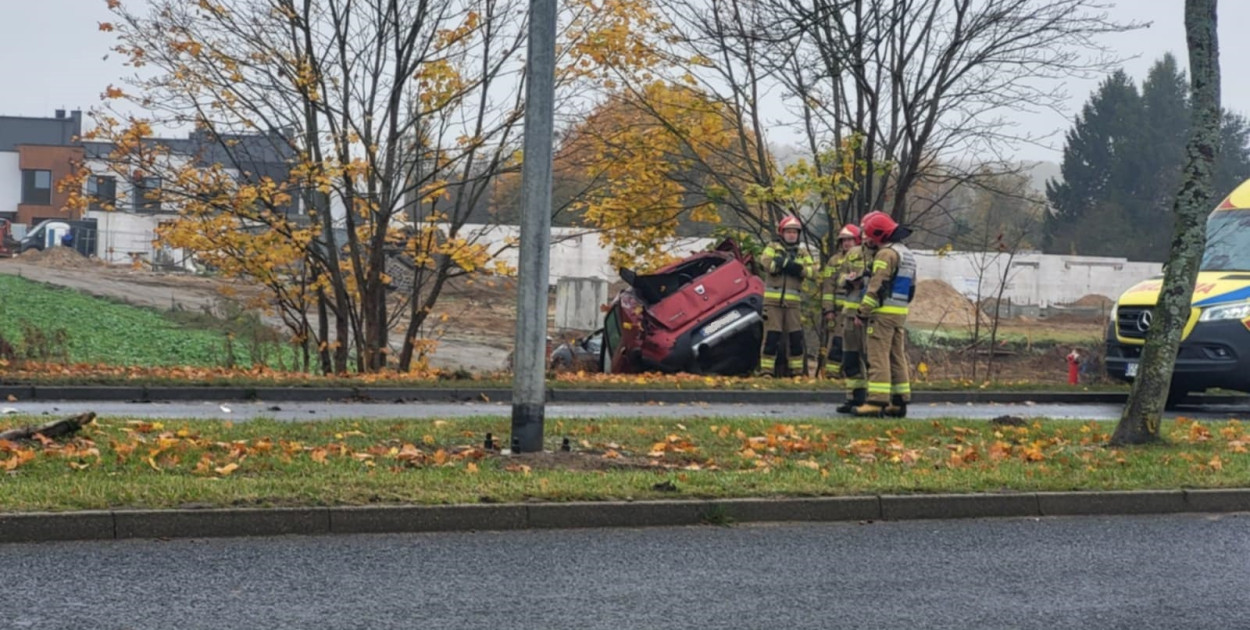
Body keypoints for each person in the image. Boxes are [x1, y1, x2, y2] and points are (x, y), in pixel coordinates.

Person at [853, 210, 916, 417]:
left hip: (881, 315)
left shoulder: (885, 254)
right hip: (899, 314)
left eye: (869, 235)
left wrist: (862, 313)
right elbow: (911, 290)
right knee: (897, 357)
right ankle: (899, 402)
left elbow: (876, 288)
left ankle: (876, 402)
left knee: (878, 357)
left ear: (879, 234)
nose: (866, 239)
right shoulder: (906, 253)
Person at [759, 215, 817, 377]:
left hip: (793, 305)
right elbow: (767, 264)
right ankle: (766, 372)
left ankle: (796, 372)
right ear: (782, 233)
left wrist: (794, 267)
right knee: (772, 337)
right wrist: (785, 265)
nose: (792, 235)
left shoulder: (802, 252)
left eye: (795, 232)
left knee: (795, 338)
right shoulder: (772, 247)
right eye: (788, 231)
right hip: (772, 303)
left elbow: (813, 272)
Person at [820, 224, 863, 379]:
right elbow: (828, 286)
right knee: (836, 342)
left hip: (858, 312)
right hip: (838, 313)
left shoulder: (863, 258)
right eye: (843, 240)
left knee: (857, 344)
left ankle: (855, 375)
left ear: (857, 240)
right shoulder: (834, 261)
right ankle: (832, 374)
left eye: (849, 240)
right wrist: (828, 309)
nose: (846, 243)